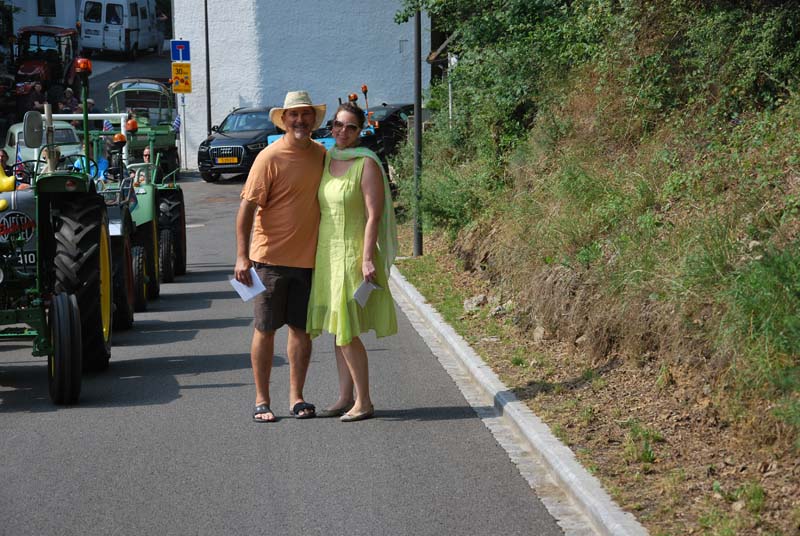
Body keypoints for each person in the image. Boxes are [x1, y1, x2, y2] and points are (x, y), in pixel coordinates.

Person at [234, 90, 327, 423]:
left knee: (301, 331)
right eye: (294, 115)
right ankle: (262, 400)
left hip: (309, 261)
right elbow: (246, 210)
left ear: (313, 119)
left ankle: (297, 397)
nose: (300, 120)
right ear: (284, 120)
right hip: (269, 260)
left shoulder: (322, 155)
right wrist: (242, 257)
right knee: (265, 329)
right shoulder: (269, 158)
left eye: (305, 114)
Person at [306, 102, 398, 422]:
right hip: (327, 254)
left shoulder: (366, 163)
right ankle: (345, 397)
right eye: (338, 124)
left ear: (361, 131)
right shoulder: (327, 157)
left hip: (352, 254)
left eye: (350, 127)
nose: (342, 131)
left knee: (346, 330)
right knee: (337, 329)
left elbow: (374, 215)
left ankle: (364, 401)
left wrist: (367, 257)